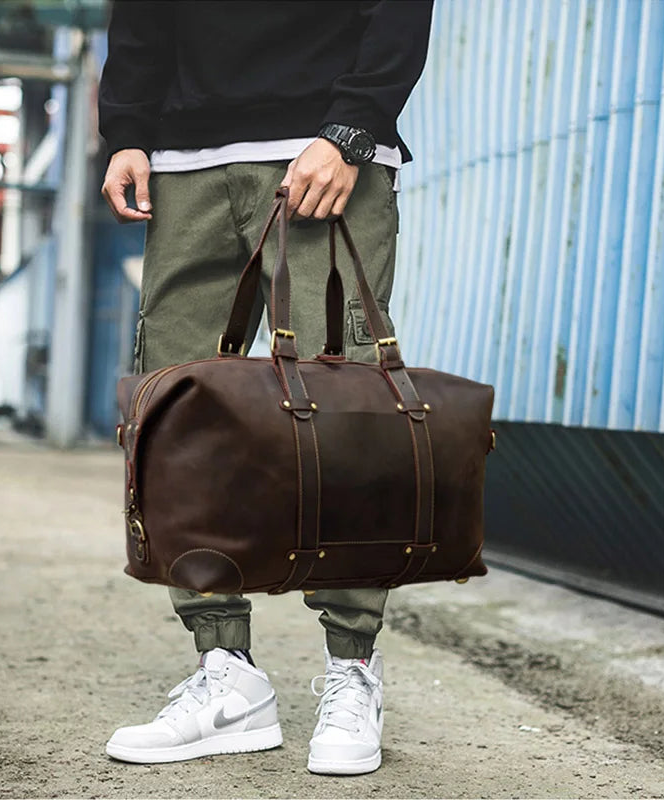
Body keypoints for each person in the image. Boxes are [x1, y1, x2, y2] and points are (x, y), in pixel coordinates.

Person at [98, 0, 433, 776]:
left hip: (322, 148)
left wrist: (353, 125)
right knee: (175, 424)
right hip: (183, 162)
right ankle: (227, 678)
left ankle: (352, 671)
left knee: (344, 415)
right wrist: (128, 130)